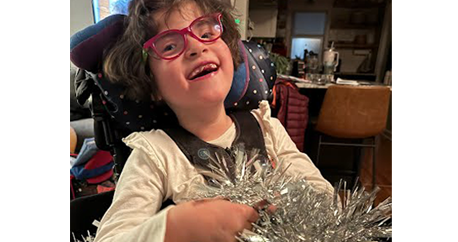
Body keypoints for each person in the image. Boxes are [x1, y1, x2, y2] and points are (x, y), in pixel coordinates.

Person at [93, 0, 334, 241]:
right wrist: (175, 227)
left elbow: (322, 192)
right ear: (152, 83)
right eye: (169, 47)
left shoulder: (266, 127)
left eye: (207, 33)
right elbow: (111, 237)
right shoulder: (155, 154)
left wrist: (282, 208)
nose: (197, 47)